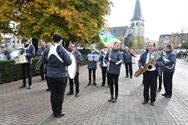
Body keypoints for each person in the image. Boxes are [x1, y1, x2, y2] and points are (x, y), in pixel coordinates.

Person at [41, 34, 72, 118]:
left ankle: (54, 111)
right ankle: (59, 112)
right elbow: (69, 62)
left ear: (53, 40)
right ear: (61, 40)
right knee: (60, 94)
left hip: (50, 75)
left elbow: (42, 61)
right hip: (61, 75)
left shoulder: (47, 49)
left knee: (53, 94)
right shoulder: (62, 50)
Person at [138, 42, 162, 106]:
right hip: (145, 72)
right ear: (147, 47)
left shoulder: (157, 55)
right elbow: (140, 61)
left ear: (154, 47)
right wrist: (140, 66)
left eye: (151, 46)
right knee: (146, 87)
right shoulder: (144, 54)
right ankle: (146, 99)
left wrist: (156, 63)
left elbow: (162, 63)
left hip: (154, 73)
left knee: (153, 87)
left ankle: (152, 100)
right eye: (149, 46)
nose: (150, 47)